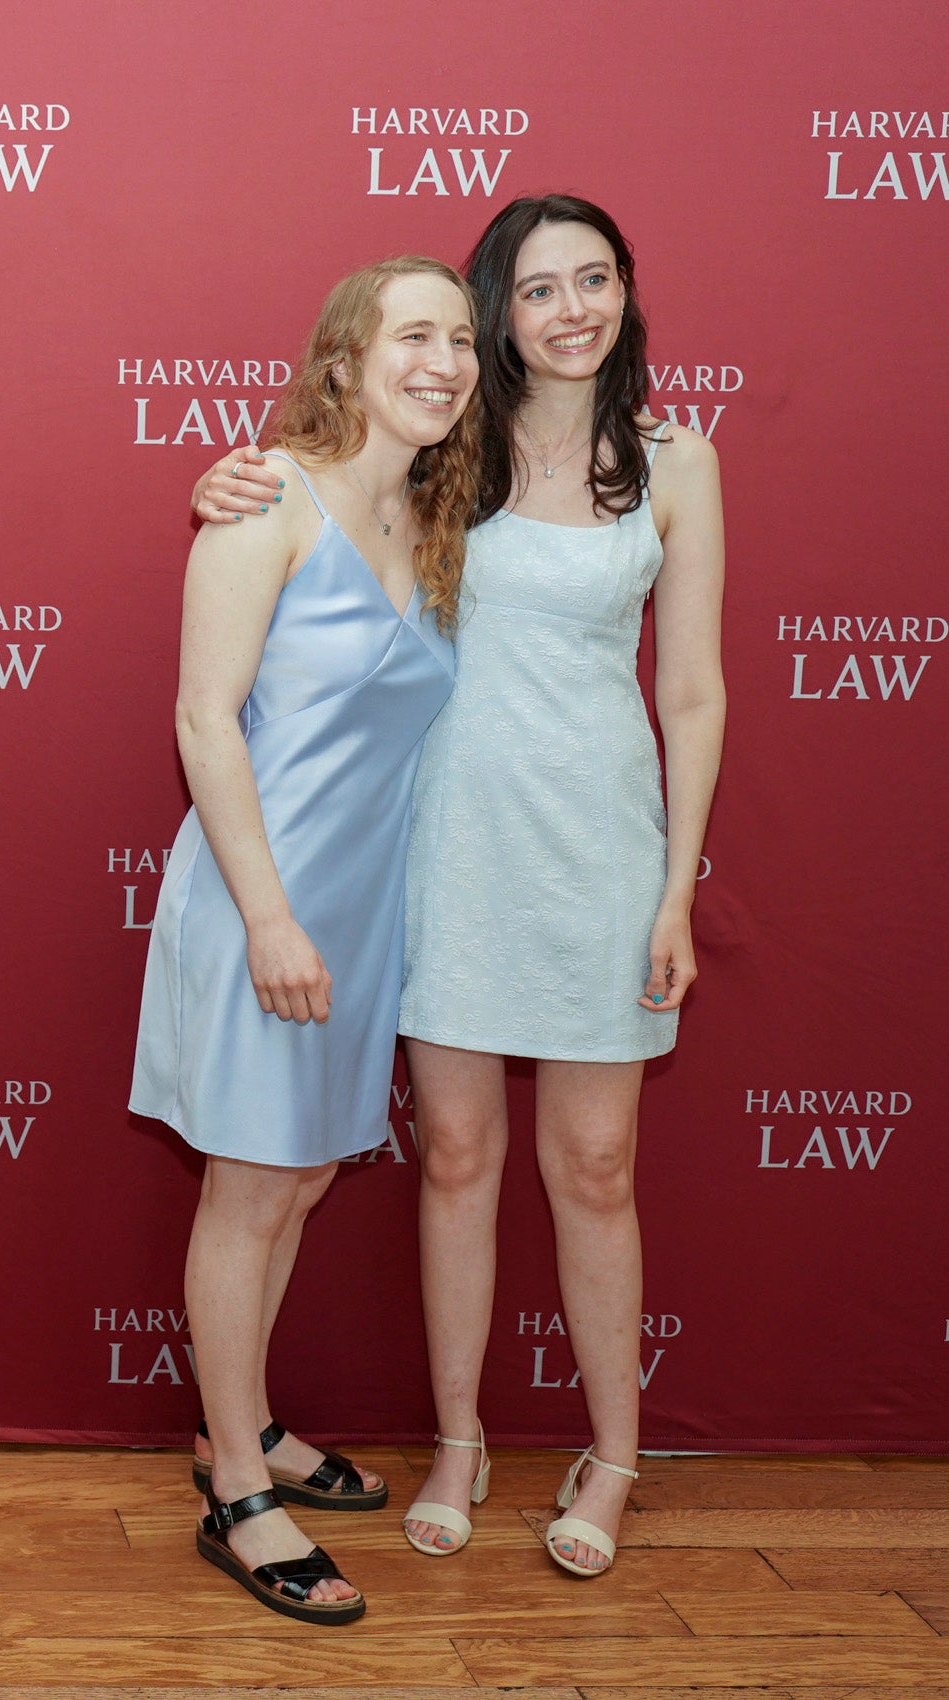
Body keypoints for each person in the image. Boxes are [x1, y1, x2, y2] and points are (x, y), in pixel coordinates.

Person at [192, 196, 726, 1579]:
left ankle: (610, 1456)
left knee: (595, 1167)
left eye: (592, 280)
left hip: (600, 849)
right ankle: (458, 1442)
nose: (568, 311)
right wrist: (225, 482)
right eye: (536, 289)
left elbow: (691, 687)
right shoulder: (447, 453)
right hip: (439, 853)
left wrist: (675, 891)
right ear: (499, 315)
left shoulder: (677, 460)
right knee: (457, 1160)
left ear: (623, 295)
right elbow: (315, 500)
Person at [134, 256, 479, 1624]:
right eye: (412, 334)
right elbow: (200, 720)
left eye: (458, 337)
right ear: (342, 361)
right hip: (255, 903)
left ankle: (247, 1421)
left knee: (300, 1182)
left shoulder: (444, 518)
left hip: (358, 922)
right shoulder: (266, 496)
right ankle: (235, 1488)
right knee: (248, 1188)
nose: (442, 359)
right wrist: (268, 919)